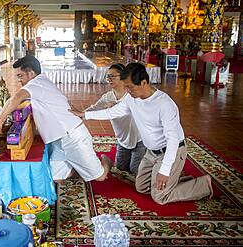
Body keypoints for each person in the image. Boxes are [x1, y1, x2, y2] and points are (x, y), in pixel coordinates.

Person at [70, 63, 212, 205]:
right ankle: (173, 180)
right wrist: (84, 114)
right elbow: (112, 112)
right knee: (142, 187)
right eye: (126, 87)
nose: (127, 91)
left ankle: (204, 185)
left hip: (170, 151)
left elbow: (173, 140)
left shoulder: (164, 104)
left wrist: (165, 169)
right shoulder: (132, 98)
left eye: (130, 87)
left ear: (144, 82)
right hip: (151, 152)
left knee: (159, 197)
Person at [0, 55, 110, 183]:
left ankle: (105, 160)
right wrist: (0, 115)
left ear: (31, 73)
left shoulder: (36, 84)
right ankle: (78, 165)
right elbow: (12, 99)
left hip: (72, 137)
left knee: (100, 177)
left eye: (20, 76)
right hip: (58, 139)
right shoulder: (39, 82)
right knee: (56, 179)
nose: (19, 80)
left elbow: (16, 98)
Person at [85, 63, 145, 175]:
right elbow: (93, 109)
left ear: (123, 76)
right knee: (120, 170)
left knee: (135, 171)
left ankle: (151, 157)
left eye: (113, 76)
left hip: (139, 140)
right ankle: (106, 159)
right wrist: (80, 114)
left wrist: (116, 108)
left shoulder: (132, 94)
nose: (109, 79)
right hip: (122, 140)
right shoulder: (108, 97)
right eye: (108, 76)